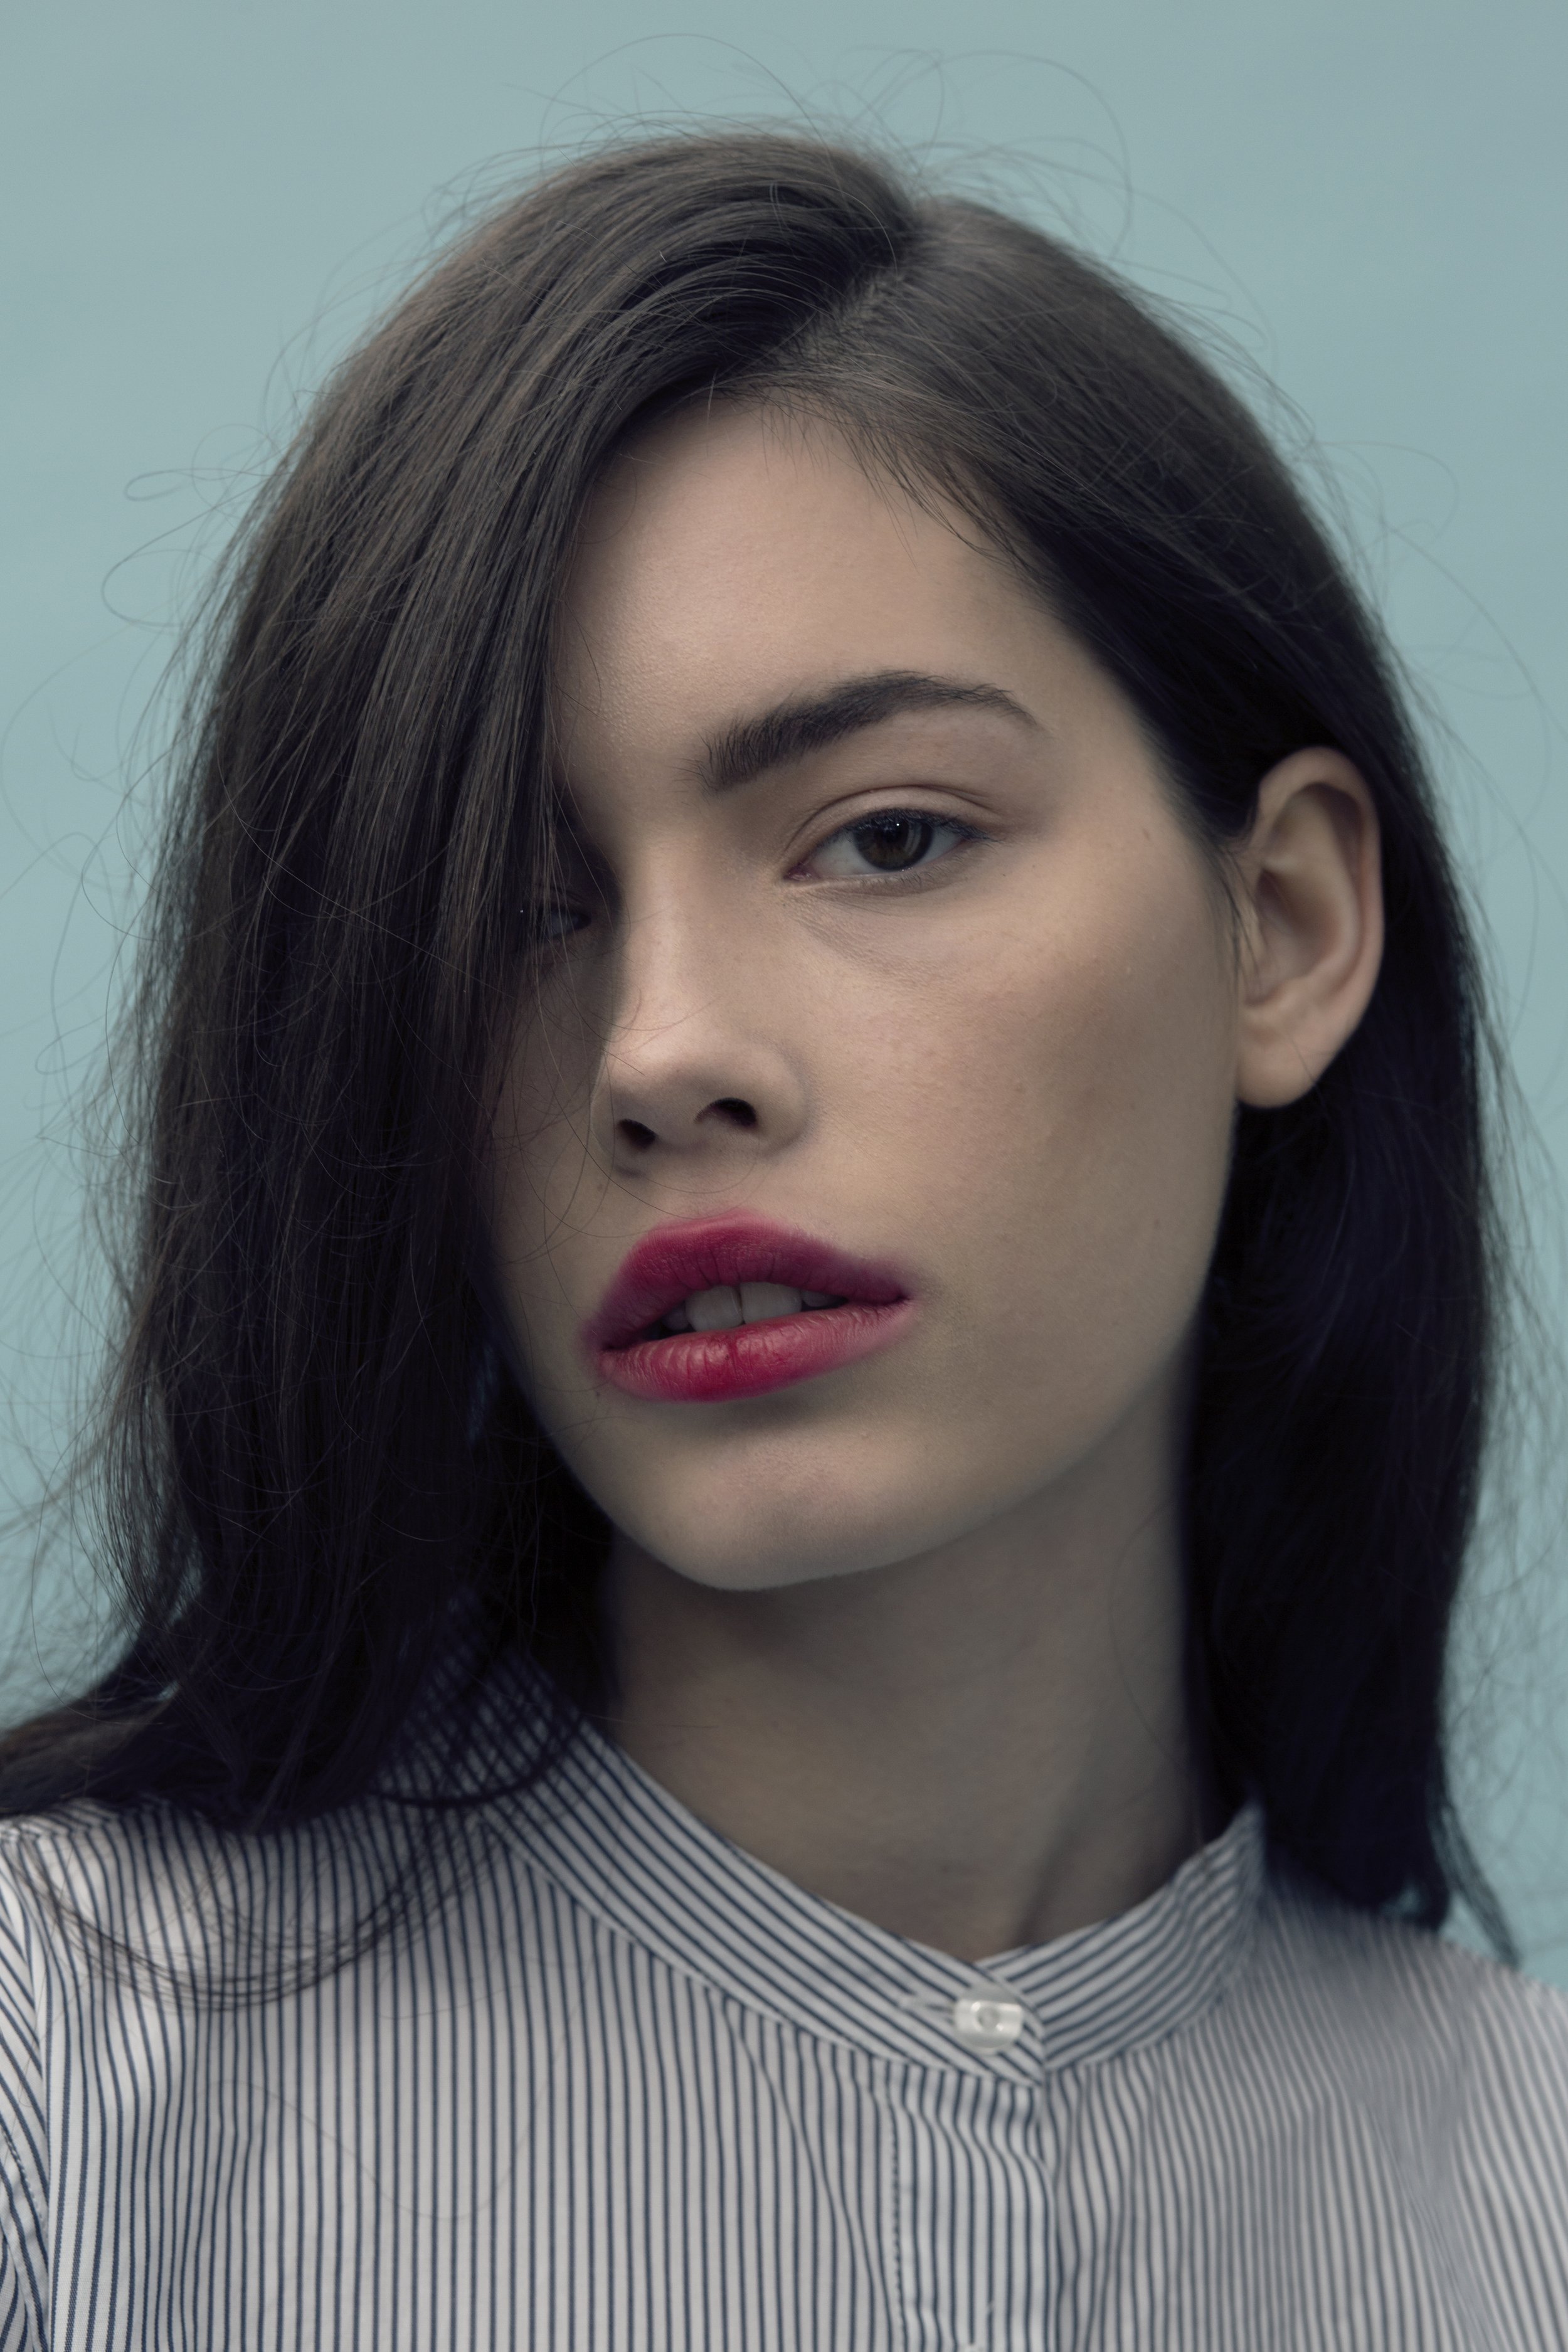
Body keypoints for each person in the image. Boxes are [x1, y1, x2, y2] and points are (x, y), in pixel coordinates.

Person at [0, 126, 1562, 2349]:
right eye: (514, 913)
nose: (660, 1048)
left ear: (1284, 930)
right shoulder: (56, 2103)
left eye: (885, 836)